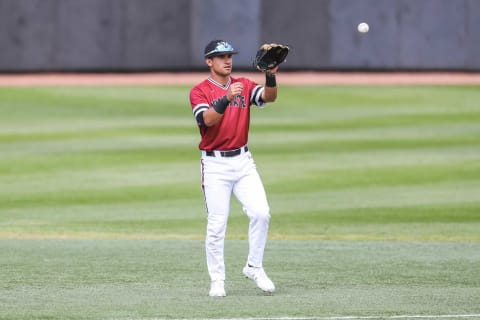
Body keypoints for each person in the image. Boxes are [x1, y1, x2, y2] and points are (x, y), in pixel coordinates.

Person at [189, 40, 281, 297]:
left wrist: (270, 76)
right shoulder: (200, 91)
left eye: (229, 56)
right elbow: (205, 120)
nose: (227, 60)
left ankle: (254, 266)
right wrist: (226, 98)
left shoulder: (244, 84)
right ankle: (217, 280)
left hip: (243, 161)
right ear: (209, 62)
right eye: (221, 57)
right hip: (215, 164)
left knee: (261, 213)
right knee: (217, 225)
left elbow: (269, 97)